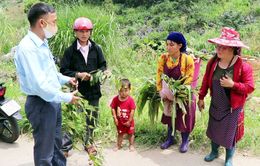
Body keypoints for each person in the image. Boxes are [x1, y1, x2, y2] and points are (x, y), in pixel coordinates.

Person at [14, 3, 79, 166]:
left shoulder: (42, 42)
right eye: (54, 22)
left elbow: (49, 73)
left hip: (51, 101)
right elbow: (40, 86)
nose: (55, 26)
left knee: (56, 145)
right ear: (42, 23)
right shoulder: (28, 48)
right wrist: (66, 97)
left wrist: (65, 79)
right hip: (41, 103)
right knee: (45, 152)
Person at [198, 27, 255, 166]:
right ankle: (214, 152)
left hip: (232, 108)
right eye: (218, 46)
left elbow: (250, 87)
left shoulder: (243, 66)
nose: (219, 49)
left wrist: (233, 84)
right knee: (214, 129)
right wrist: (201, 97)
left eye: (223, 47)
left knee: (230, 133)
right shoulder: (213, 63)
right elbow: (206, 80)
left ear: (233, 48)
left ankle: (229, 158)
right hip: (216, 103)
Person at [60, 17, 107, 154]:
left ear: (90, 32)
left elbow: (103, 66)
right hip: (77, 92)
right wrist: (78, 75)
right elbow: (64, 70)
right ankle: (66, 147)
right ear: (75, 32)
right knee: (73, 118)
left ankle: (89, 143)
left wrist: (101, 74)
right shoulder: (70, 51)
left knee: (91, 118)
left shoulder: (96, 49)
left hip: (93, 91)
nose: (84, 34)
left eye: (87, 31)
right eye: (81, 31)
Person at [156, 32, 197, 153]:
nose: (168, 47)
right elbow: (159, 75)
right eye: (167, 44)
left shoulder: (187, 59)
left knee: (185, 117)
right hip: (169, 94)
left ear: (180, 45)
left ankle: (184, 141)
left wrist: (179, 91)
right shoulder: (163, 58)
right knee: (170, 116)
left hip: (183, 94)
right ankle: (170, 139)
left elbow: (190, 77)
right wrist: (161, 91)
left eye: (171, 45)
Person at [110, 79, 136, 151]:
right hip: (120, 122)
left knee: (131, 134)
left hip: (129, 122)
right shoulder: (115, 99)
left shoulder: (131, 100)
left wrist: (130, 121)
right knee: (120, 134)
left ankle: (131, 145)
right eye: (121, 91)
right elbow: (112, 108)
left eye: (126, 90)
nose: (123, 93)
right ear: (118, 90)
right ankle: (118, 145)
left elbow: (132, 110)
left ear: (129, 89)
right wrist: (115, 118)